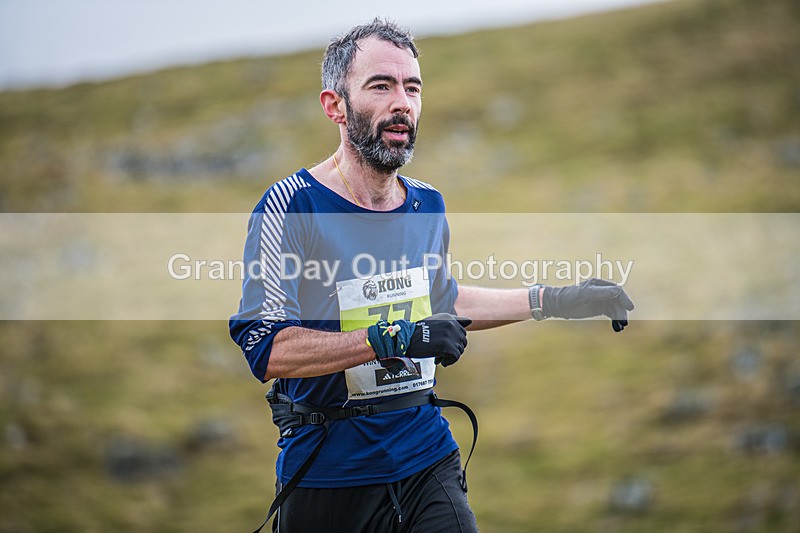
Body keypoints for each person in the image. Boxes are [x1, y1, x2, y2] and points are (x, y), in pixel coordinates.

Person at [230, 18, 634, 533]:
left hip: (426, 457)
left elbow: (441, 300)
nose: (402, 102)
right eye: (381, 86)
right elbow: (268, 347)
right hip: (329, 475)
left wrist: (556, 299)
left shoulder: (427, 205)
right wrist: (394, 338)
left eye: (413, 87)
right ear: (335, 105)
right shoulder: (291, 206)